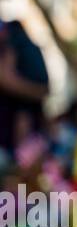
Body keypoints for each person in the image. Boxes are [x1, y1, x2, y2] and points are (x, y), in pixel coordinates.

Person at [0, 19, 50, 162]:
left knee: (22, 179)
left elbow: (7, 80)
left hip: (20, 137)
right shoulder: (24, 46)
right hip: (19, 136)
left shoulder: (16, 45)